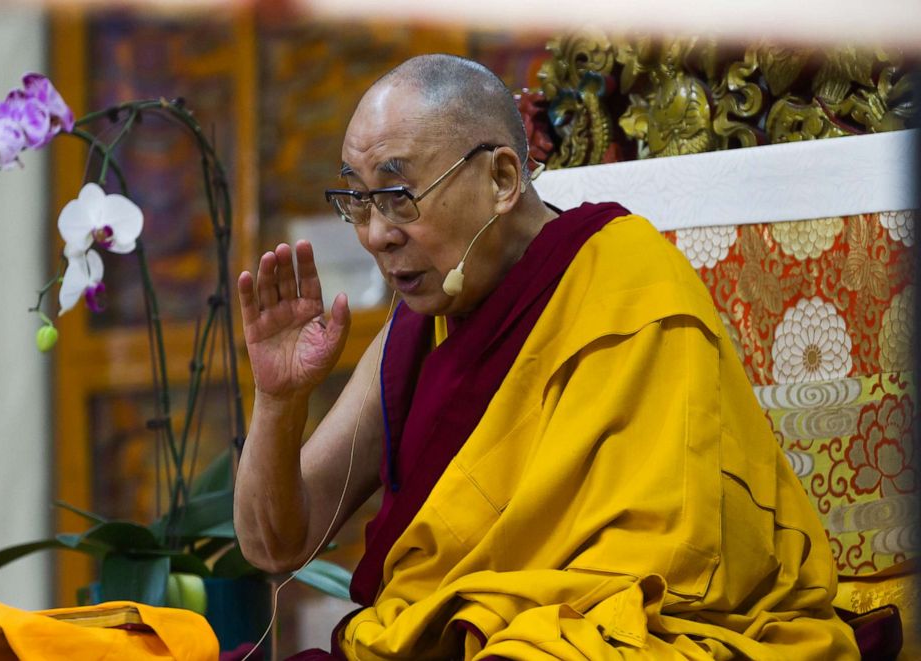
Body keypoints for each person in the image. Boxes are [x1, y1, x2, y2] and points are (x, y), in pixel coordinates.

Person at [233, 54, 859, 659]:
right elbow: (278, 546)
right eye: (359, 200)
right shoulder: (419, 327)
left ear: (502, 180)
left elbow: (666, 571)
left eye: (400, 195)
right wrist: (280, 399)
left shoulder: (630, 288)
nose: (376, 233)